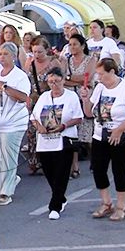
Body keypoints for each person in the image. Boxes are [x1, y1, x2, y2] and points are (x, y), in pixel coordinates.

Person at [80, 58, 125, 222]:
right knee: (98, 168)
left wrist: (120, 129)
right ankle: (106, 202)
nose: (99, 78)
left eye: (102, 74)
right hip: (101, 133)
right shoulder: (100, 88)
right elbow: (88, 113)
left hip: (124, 135)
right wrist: (85, 99)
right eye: (97, 74)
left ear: (112, 72)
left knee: (118, 169)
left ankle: (121, 206)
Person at [30, 68, 83, 220]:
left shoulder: (71, 96)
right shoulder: (44, 97)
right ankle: (60, 197)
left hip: (63, 140)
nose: (54, 85)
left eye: (57, 81)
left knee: (61, 173)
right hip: (45, 141)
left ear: (63, 80)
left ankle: (55, 206)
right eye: (51, 82)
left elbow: (78, 117)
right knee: (49, 172)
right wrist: (38, 126)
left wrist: (64, 126)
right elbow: (34, 116)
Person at [0, 42, 30, 206]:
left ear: (14, 56)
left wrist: (4, 87)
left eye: (5, 54)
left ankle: (6, 192)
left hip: (13, 123)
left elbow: (23, 97)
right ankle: (7, 181)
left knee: (7, 157)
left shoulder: (20, 76)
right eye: (0, 53)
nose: (2, 57)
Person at [24, 36, 62, 174]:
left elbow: (60, 80)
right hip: (34, 98)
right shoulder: (30, 63)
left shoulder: (54, 63)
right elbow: (26, 81)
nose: (37, 55)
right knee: (32, 131)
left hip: (49, 100)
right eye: (34, 52)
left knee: (49, 129)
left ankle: (51, 161)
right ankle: (34, 161)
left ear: (46, 50)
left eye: (40, 52)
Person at [63, 33, 97, 178]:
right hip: (71, 97)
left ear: (82, 45)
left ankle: (95, 160)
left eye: (75, 44)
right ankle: (74, 167)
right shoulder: (67, 60)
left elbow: (88, 79)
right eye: (70, 44)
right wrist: (75, 80)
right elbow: (63, 79)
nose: (72, 47)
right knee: (73, 134)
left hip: (85, 96)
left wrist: (72, 79)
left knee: (88, 132)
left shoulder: (90, 59)